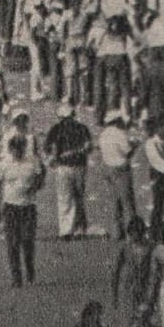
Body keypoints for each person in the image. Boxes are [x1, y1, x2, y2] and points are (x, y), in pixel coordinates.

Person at [0, 133, 45, 287]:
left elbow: (41, 176)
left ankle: (30, 272)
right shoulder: (4, 164)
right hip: (10, 207)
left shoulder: (32, 161)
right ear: (10, 149)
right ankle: (17, 278)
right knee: (13, 243)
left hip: (28, 206)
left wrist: (35, 186)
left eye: (21, 148)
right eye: (15, 149)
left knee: (28, 241)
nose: (18, 152)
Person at [45, 101, 95, 238]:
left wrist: (54, 159)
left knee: (64, 198)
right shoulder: (82, 128)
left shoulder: (56, 129)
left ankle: (66, 230)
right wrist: (78, 152)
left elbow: (48, 149)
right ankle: (79, 229)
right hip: (79, 166)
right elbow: (89, 147)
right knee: (78, 197)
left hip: (63, 167)